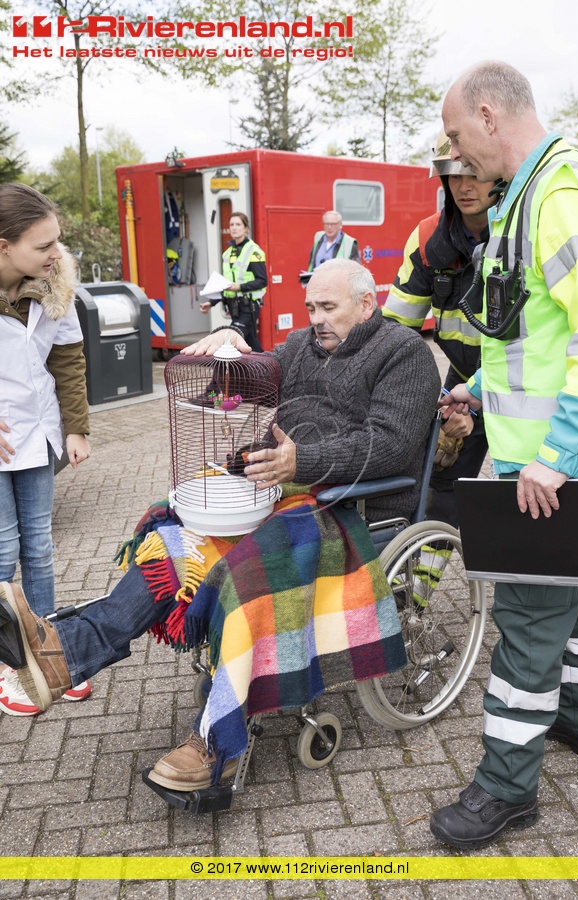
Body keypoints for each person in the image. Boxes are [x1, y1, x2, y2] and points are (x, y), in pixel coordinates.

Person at [0, 259, 440, 791]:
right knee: (173, 540)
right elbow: (249, 382)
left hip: (350, 504)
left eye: (328, 308)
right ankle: (63, 655)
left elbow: (391, 445)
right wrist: (232, 346)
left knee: (241, 571)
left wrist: (302, 461)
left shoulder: (404, 352)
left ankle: (218, 741)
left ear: (367, 304)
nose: (316, 319)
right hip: (280, 487)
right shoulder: (300, 346)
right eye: (310, 308)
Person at [430, 61, 578, 851]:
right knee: (577, 606)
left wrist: (560, 452)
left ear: (490, 116)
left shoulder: (558, 193)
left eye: (457, 133)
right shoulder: (528, 196)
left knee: (529, 622)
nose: (455, 153)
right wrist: (477, 391)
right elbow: (531, 333)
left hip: (551, 470)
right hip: (546, 460)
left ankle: (505, 790)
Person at [0, 183, 92, 716]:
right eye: (43, 246)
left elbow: (68, 361)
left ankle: (47, 648)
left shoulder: (55, 287)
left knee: (38, 545)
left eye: (57, 240)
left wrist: (77, 429)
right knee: (2, 549)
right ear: (4, 247)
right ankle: (7, 659)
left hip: (36, 436)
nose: (56, 253)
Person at [383, 130, 496, 529]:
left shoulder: (523, 233)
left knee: (529, 492)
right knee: (441, 485)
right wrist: (436, 397)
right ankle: (426, 570)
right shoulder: (427, 238)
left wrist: (477, 399)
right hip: (462, 380)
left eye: (473, 173)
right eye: (453, 175)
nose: (464, 186)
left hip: (522, 383)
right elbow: (395, 333)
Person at [199, 211, 266, 352]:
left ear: (246, 228)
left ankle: (220, 368)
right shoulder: (228, 253)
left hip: (248, 307)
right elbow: (226, 285)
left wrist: (239, 287)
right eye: (231, 225)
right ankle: (268, 365)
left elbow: (262, 281)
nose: (234, 228)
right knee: (251, 344)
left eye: (238, 224)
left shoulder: (253, 251)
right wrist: (211, 303)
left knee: (229, 340)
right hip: (234, 308)